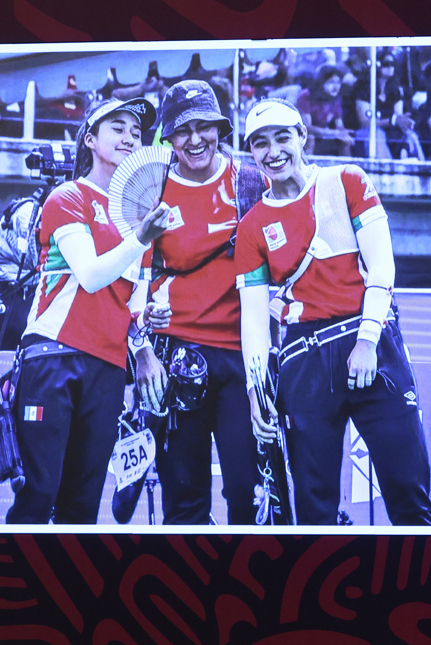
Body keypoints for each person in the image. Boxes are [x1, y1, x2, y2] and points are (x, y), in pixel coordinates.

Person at [233, 99, 431, 526]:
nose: (273, 152)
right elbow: (253, 320)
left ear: (303, 136)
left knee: (408, 492)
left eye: (283, 137)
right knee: (313, 507)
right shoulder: (251, 227)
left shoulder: (347, 181)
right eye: (260, 143)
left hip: (372, 346)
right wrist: (256, 392)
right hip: (304, 361)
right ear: (251, 151)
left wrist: (366, 340)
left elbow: (383, 266)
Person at [7, 98, 170, 524]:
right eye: (118, 127)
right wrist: (139, 238)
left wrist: (146, 344)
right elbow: (91, 276)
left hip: (109, 368)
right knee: (38, 495)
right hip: (54, 357)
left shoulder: (140, 216)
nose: (130, 137)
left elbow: (135, 303)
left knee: (82, 506)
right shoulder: (68, 196)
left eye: (136, 132)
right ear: (91, 139)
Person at [147, 79, 263, 524]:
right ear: (169, 138)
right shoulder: (151, 187)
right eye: (182, 130)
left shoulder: (249, 180)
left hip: (242, 359)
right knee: (184, 499)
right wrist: (141, 334)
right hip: (177, 358)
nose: (195, 140)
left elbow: (284, 251)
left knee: (248, 492)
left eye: (205, 127)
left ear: (221, 129)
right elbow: (131, 275)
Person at [296, 64, 354, 157]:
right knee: (310, 138)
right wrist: (334, 133)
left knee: (346, 141)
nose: (336, 87)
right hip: (306, 135)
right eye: (331, 82)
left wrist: (344, 133)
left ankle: (348, 170)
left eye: (338, 82)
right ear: (321, 83)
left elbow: (339, 125)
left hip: (326, 134)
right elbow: (308, 127)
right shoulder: (306, 96)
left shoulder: (336, 98)